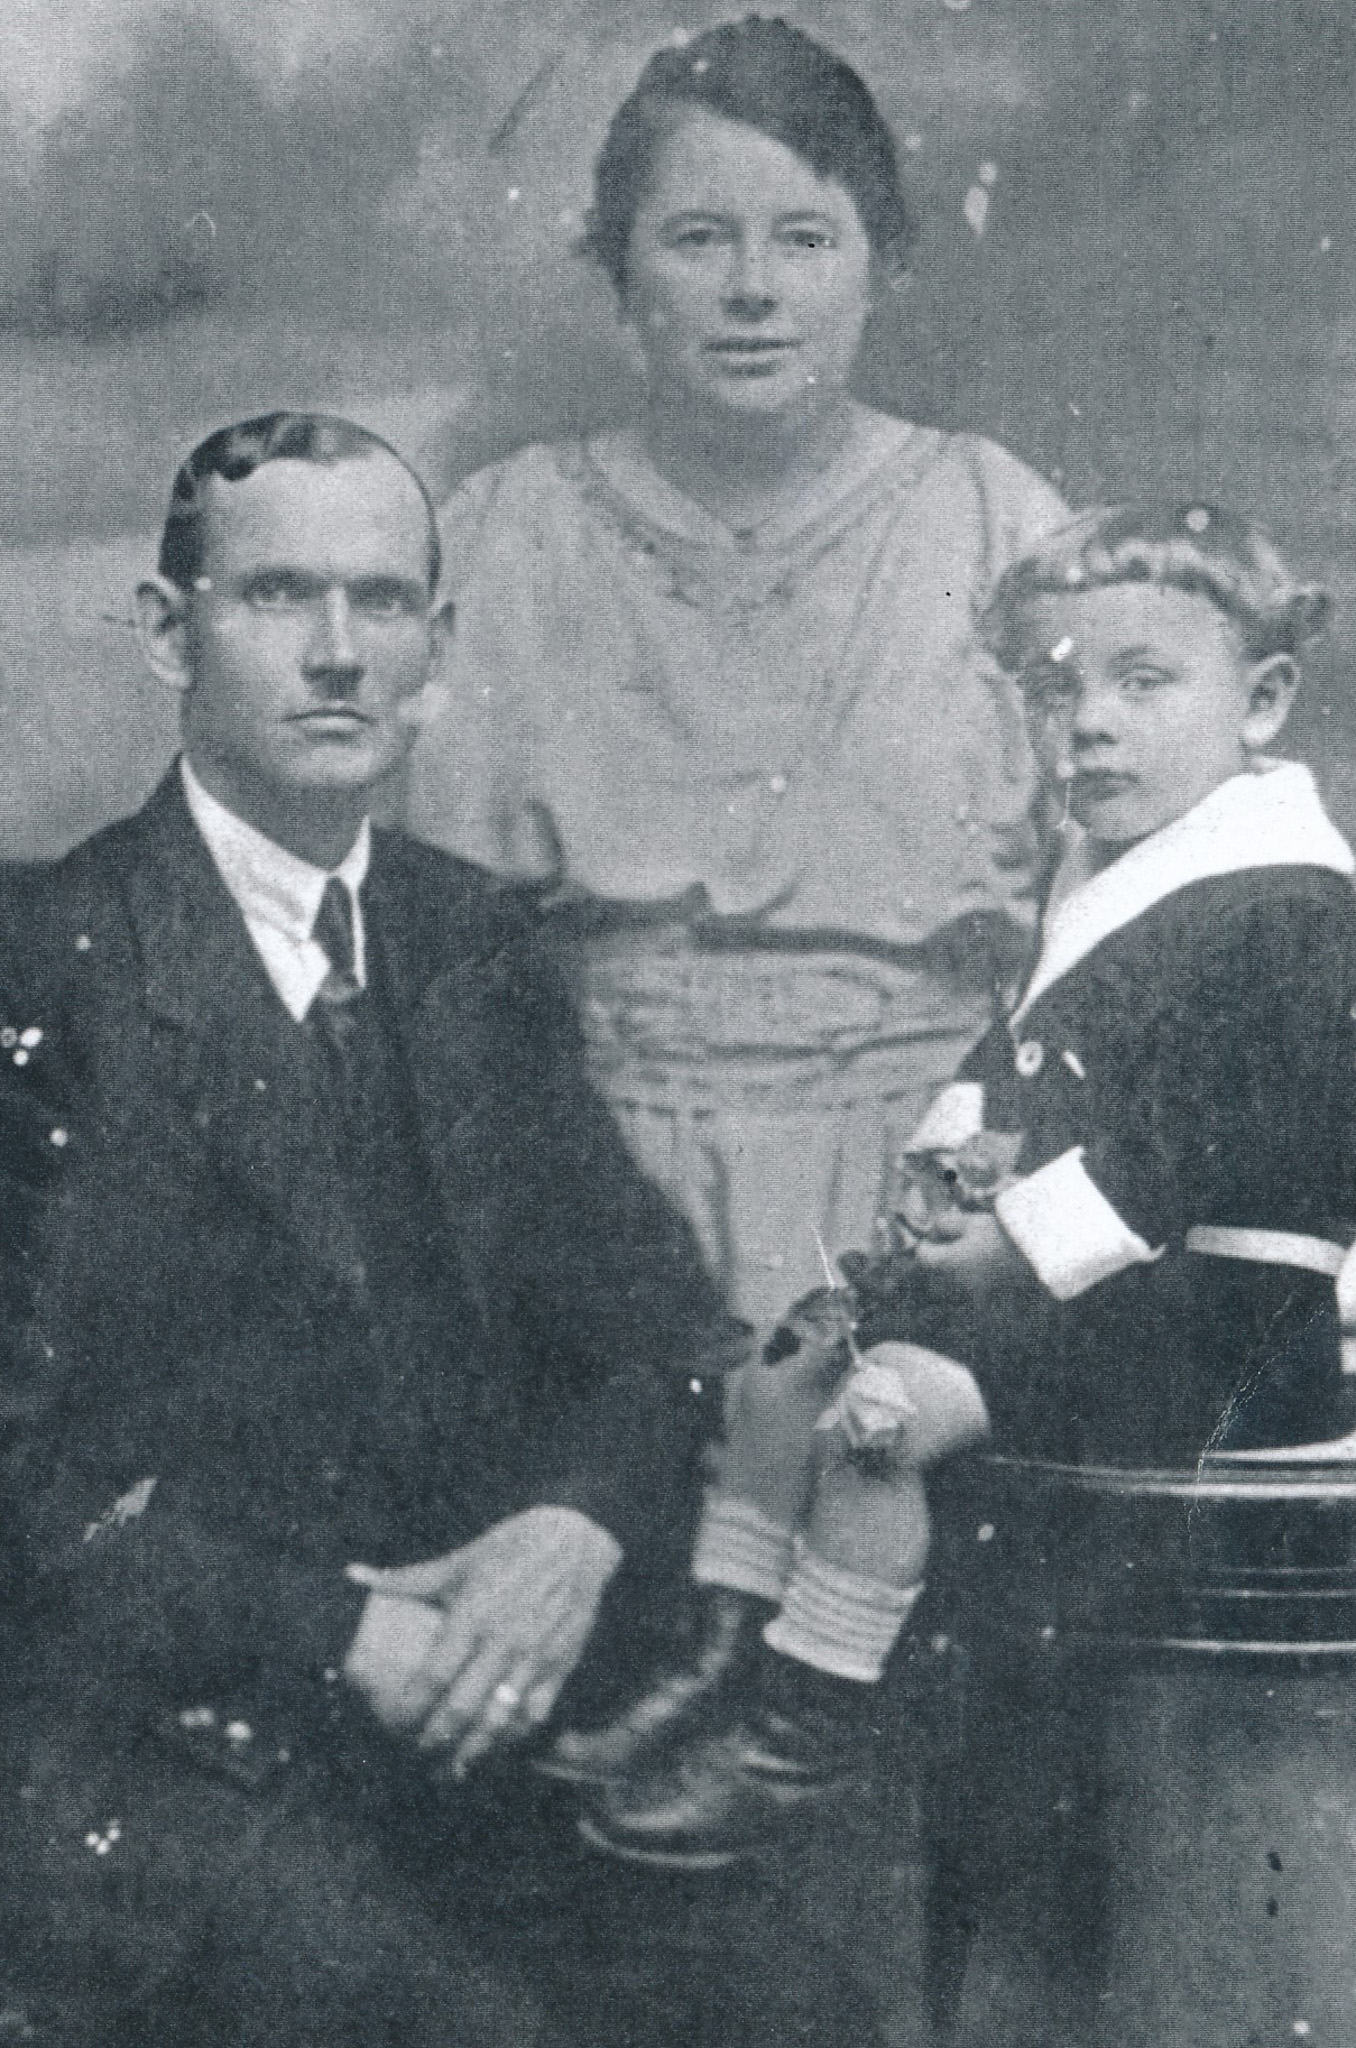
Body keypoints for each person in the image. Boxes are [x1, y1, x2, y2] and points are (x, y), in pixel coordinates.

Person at [0, 411, 743, 2045]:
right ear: (167, 631)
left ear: (437, 645)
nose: (340, 653)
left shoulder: (467, 939)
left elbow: (656, 1331)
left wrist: (575, 1530)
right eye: (277, 595)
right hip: (149, 1761)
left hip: (468, 1742)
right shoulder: (46, 963)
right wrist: (340, 1634)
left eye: (384, 601)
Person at [572, 499, 1356, 1870]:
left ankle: (810, 1723)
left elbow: (1189, 1148)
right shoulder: (1110, 873)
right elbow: (1013, 1057)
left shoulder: (1291, 908)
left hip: (1228, 1324)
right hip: (1101, 1292)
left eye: (1143, 682)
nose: (1089, 725)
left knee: (883, 1414)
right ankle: (725, 1654)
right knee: (789, 1363)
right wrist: (949, 1169)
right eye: (1055, 690)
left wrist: (1006, 1244)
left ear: (1262, 700)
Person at [406, 14, 1068, 1330]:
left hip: (939, 1211)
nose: (753, 289)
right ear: (621, 273)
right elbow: (433, 969)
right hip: (586, 1209)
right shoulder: (501, 536)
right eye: (698, 238)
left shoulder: (1000, 528)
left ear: (882, 266)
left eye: (806, 239)